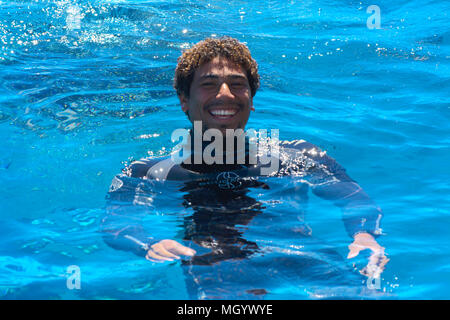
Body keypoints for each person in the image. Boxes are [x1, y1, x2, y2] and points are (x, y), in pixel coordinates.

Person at [101, 37, 389, 298]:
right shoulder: (148, 173)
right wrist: (148, 244)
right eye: (209, 84)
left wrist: (364, 234)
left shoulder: (299, 156)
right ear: (184, 100)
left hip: (299, 254)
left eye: (237, 84)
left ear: (251, 100)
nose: (225, 94)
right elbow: (118, 224)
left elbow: (353, 198)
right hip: (216, 265)